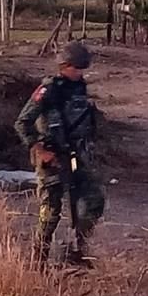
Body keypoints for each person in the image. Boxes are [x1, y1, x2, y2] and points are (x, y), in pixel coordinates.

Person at [15, 41, 105, 269]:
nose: (80, 73)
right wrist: (39, 149)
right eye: (76, 68)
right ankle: (38, 262)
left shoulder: (78, 88)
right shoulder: (49, 90)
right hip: (52, 159)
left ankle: (75, 250)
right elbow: (22, 123)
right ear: (64, 66)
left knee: (93, 201)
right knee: (50, 214)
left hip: (75, 155)